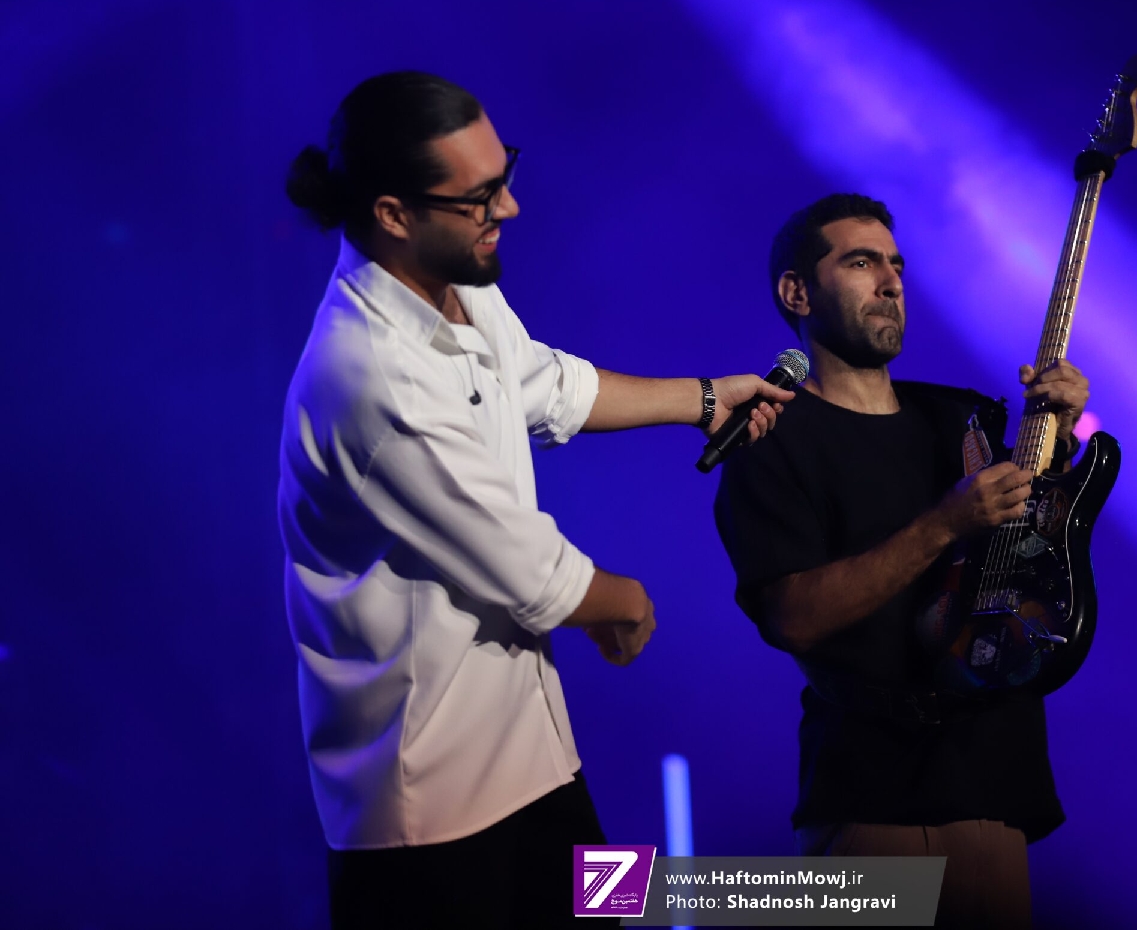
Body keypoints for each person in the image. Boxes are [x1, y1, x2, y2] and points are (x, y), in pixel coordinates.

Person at [277, 71, 791, 928]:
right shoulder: (369, 378)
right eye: (480, 196)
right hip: (429, 822)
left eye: (504, 175)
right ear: (393, 214)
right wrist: (629, 604)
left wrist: (704, 399)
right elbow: (531, 572)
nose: (509, 208)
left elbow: (547, 384)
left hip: (535, 766)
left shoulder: (460, 284)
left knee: (617, 906)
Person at [713, 193, 1091, 928]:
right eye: (861, 263)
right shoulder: (770, 438)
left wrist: (1061, 437)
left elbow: (1029, 555)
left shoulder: (961, 419)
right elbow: (793, 617)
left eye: (896, 266)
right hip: (873, 798)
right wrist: (945, 522)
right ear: (797, 292)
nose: (891, 283)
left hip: (994, 787)